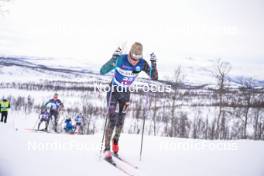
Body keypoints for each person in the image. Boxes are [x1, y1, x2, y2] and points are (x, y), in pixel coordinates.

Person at [100, 42, 158, 159]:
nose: (134, 61)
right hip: (114, 90)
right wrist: (113, 58)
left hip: (126, 93)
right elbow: (102, 71)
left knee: (121, 120)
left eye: (137, 58)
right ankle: (106, 148)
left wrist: (154, 64)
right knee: (112, 119)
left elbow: (154, 77)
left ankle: (115, 141)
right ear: (129, 54)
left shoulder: (142, 63)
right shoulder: (121, 59)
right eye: (132, 58)